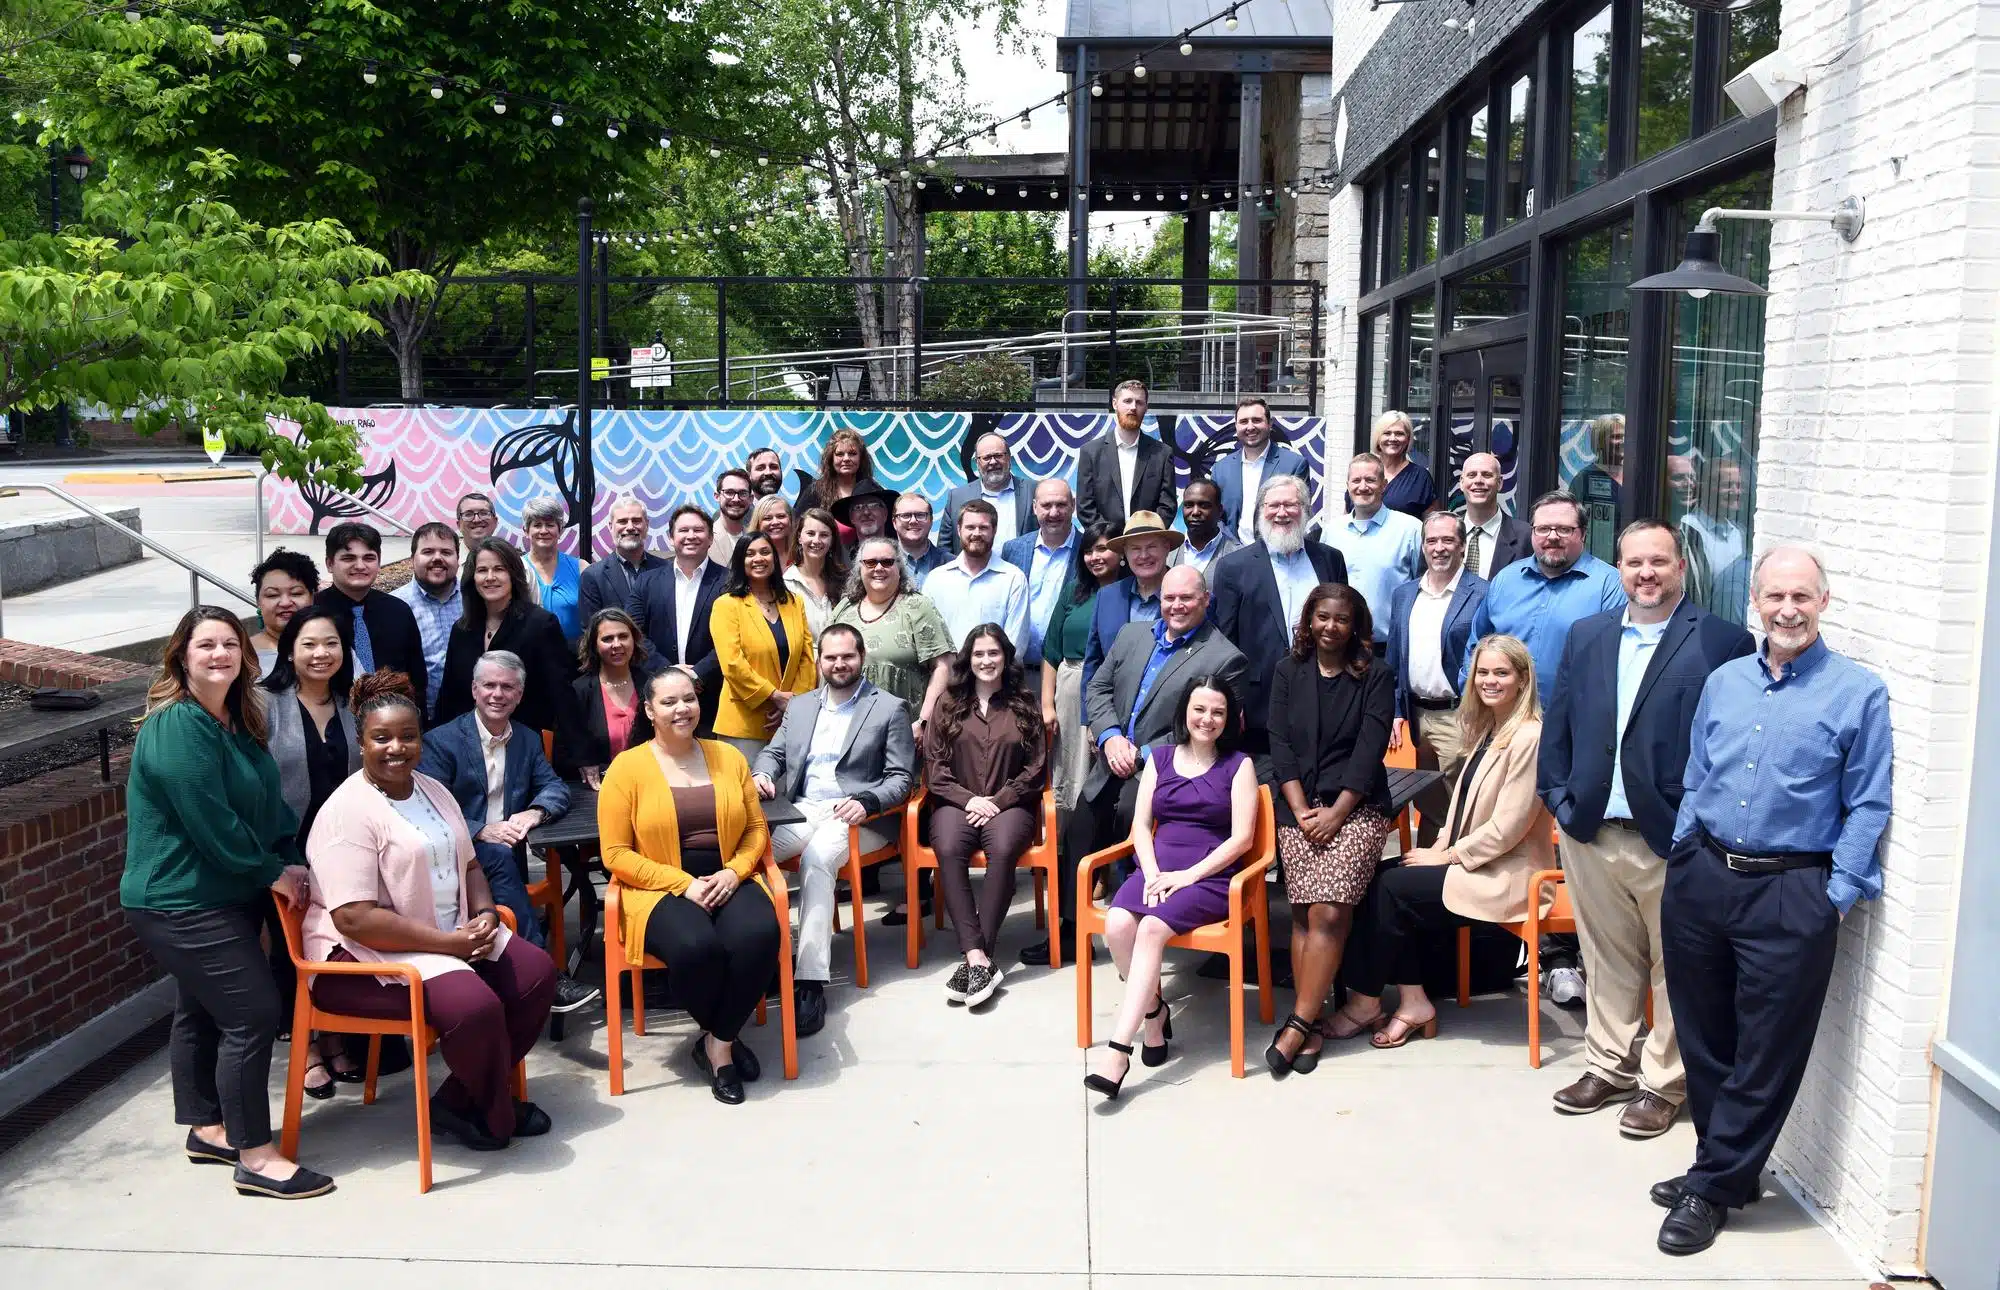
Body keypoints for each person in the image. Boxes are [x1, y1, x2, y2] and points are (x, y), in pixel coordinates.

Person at [1650, 547, 1892, 1257]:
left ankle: (1712, 1189)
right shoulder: (1724, 682)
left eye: (1802, 597)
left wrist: (1835, 896)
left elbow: (1868, 803)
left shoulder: (1858, 693)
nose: (1788, 610)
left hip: (1792, 891)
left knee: (1766, 1050)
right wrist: (1684, 852)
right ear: (1755, 602)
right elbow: (1698, 773)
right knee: (1705, 1038)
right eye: (1776, 597)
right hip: (1702, 878)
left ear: (1824, 602)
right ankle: (1724, 1168)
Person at [1539, 520, 1755, 1141]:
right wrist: (1559, 797)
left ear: (1681, 567)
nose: (1646, 573)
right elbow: (1561, 722)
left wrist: (1698, 826)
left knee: (1678, 967)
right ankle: (1609, 1066)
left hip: (1672, 838)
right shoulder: (1588, 634)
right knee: (1606, 960)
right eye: (1634, 562)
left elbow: (1731, 747)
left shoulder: (1722, 642)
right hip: (1590, 828)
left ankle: (1664, 1085)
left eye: (1659, 561)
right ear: (1619, 568)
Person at [120, 605, 333, 1199]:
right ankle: (255, 1156)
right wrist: (272, 871)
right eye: (206, 645)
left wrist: (289, 854)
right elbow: (210, 822)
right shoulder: (176, 726)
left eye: (230, 645)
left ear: (245, 655)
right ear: (181, 657)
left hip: (224, 892)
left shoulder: (236, 721)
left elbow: (268, 805)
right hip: (178, 899)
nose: (220, 655)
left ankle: (208, 1128)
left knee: (202, 1007)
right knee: (252, 1012)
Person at [304, 671, 559, 1152]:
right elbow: (354, 918)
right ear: (361, 743)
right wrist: (450, 945)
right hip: (361, 958)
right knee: (474, 1006)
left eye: (408, 736)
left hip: (447, 935)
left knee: (535, 974)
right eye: (382, 738)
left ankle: (458, 1100)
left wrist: (485, 914)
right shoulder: (347, 812)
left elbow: (469, 864)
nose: (396, 748)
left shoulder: (432, 790)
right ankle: (495, 1114)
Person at [1330, 634, 1556, 1049]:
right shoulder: (1491, 728)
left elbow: (1510, 826)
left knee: (1391, 888)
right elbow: (1461, 806)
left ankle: (1368, 1002)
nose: (1489, 681)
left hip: (1509, 874)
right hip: (1477, 861)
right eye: (1482, 672)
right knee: (1376, 877)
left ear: (1523, 680)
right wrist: (1438, 849)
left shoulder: (1530, 737)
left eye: (1501, 673)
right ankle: (1410, 1000)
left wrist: (1449, 856)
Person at [1025, 565, 1247, 968]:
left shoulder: (1225, 657)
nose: (1176, 606)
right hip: (1110, 760)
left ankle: (1142, 926)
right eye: (1169, 597)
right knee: (1077, 831)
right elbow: (1098, 687)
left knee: (1131, 819)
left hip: (1165, 771)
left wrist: (1143, 753)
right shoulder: (1132, 635)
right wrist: (1110, 736)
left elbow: (1208, 725)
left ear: (1205, 600)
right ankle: (1071, 933)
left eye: (1186, 598)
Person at [598, 666, 781, 1104]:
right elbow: (615, 854)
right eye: (669, 702)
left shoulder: (728, 757)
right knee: (697, 949)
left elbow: (756, 828)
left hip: (729, 876)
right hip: (659, 887)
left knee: (760, 934)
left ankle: (717, 1043)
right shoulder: (626, 768)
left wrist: (735, 871)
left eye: (689, 699)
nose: (682, 709)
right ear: (649, 710)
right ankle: (726, 1041)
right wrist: (682, 883)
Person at [1082, 676, 1258, 1100]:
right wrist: (1152, 871)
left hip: (1210, 876)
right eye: (1200, 709)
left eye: (1217, 712)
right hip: (1157, 870)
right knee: (1117, 924)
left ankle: (1118, 1051)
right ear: (1184, 712)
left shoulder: (1239, 766)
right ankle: (1154, 1012)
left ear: (1229, 719)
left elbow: (1242, 840)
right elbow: (1141, 826)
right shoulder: (1159, 759)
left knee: (1150, 929)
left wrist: (1187, 876)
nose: (1207, 719)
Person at [753, 625, 917, 1037]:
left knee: (817, 859)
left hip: (859, 816)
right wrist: (763, 774)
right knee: (751, 852)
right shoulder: (801, 706)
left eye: (847, 656)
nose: (839, 664)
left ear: (862, 658)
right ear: (819, 660)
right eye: (831, 657)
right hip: (802, 809)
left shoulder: (889, 708)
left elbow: (902, 778)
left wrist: (867, 801)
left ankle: (810, 982)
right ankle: (768, 959)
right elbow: (774, 752)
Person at [418, 650, 597, 1014]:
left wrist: (535, 812)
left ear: (519, 694)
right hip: (453, 854)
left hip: (505, 858)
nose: (497, 694)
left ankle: (522, 980)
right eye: (489, 685)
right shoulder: (441, 741)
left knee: (502, 856)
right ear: (474, 690)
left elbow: (554, 787)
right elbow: (430, 807)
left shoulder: (527, 739)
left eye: (507, 687)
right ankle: (547, 978)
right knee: (498, 855)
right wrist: (481, 830)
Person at [1263, 585, 1395, 1076]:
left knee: (1329, 911)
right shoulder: (1287, 671)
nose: (1330, 627)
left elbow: (1369, 749)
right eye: (1322, 617)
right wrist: (1300, 808)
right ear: (1309, 620)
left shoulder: (1376, 675)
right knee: (1303, 914)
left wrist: (1337, 813)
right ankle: (1314, 1023)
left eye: (1341, 619)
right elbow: (1279, 743)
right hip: (1298, 807)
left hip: (1356, 808)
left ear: (1355, 625)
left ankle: (1297, 1023)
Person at [259, 605, 361, 1099]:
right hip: (285, 847)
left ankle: (335, 1035)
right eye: (309, 644)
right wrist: (278, 859)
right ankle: (309, 1050)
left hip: (340, 848)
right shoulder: (264, 704)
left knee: (334, 942)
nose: (321, 653)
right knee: (290, 947)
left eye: (331, 643)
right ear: (289, 651)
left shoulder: (352, 703)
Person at [922, 624, 1047, 1007]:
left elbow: (1036, 768)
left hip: (1011, 805)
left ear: (1006, 657)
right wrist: (969, 800)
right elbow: (934, 768)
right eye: (979, 654)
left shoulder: (1025, 703)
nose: (986, 660)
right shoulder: (947, 703)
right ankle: (978, 958)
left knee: (1004, 848)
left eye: (994, 653)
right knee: (948, 846)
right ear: (968, 659)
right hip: (956, 803)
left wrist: (999, 799)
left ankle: (978, 957)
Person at [1210, 475, 1349, 764]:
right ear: (1261, 510)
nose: (1281, 513)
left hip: (1324, 697)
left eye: (1290, 505)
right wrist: (1232, 699)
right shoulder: (1233, 567)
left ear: (1305, 510)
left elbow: (1346, 626)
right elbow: (1224, 641)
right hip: (1258, 705)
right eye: (1273, 505)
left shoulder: (1330, 559)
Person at [1386, 512, 1488, 844]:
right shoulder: (1405, 593)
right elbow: (1394, 657)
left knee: (1460, 797)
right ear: (1423, 547)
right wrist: (1395, 711)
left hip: (1457, 714)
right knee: (1426, 799)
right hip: (1415, 715)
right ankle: (1427, 865)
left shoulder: (1482, 593)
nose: (1439, 548)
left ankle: (1456, 864)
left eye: (1447, 540)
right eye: (1431, 541)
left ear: (1462, 546)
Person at [1465, 490, 1627, 695]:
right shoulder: (1506, 580)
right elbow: (1476, 645)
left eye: (1564, 529)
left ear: (1583, 533)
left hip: (1573, 714)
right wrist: (1469, 696)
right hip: (1504, 712)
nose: (1552, 537)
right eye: (1542, 529)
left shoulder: (1610, 585)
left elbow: (1617, 661)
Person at [433, 538, 577, 734]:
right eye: (482, 570)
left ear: (513, 575)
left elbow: (562, 694)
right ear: (472, 577)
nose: (490, 577)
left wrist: (577, 748)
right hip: (468, 741)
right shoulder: (461, 630)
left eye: (499, 569)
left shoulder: (541, 624)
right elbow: (448, 696)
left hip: (525, 741)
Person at [1041, 521, 1125, 826]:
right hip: (1071, 688)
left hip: (1116, 689)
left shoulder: (1131, 592)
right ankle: (1067, 843)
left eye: (1102, 549)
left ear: (1121, 552)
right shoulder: (1073, 591)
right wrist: (1047, 705)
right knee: (1071, 771)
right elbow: (1051, 650)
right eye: (1088, 551)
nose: (1094, 557)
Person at [827, 536, 954, 730]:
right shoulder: (844, 609)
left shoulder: (918, 607)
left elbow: (943, 666)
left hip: (905, 729)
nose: (879, 568)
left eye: (887, 562)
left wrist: (923, 722)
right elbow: (825, 664)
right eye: (870, 562)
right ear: (859, 568)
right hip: (847, 728)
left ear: (899, 568)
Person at [711, 533, 817, 762]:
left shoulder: (794, 602)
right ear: (740, 561)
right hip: (743, 724)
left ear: (774, 558)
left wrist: (793, 703)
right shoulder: (726, 605)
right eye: (750, 554)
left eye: (765, 552)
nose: (758, 558)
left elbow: (806, 658)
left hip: (789, 721)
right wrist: (775, 696)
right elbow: (732, 663)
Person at [315, 522, 428, 717]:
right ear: (330, 564)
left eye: (368, 558)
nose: (360, 566)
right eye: (348, 558)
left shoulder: (398, 611)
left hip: (394, 721)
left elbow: (417, 680)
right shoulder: (313, 613)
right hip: (330, 721)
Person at [1328, 453, 1424, 652]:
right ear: (1347, 485)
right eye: (1356, 480)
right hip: (1339, 648)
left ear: (1384, 485)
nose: (1363, 487)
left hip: (1390, 648)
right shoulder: (1331, 531)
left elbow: (1423, 587)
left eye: (1370, 480)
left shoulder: (1411, 530)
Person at [554, 608, 658, 788]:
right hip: (599, 789)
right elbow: (565, 757)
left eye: (623, 636)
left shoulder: (652, 685)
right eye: (607, 639)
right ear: (594, 645)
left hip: (652, 783)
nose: (616, 644)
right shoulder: (578, 692)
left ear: (634, 640)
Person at [1080, 512, 1182, 695]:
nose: (1143, 555)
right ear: (1125, 553)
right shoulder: (1107, 596)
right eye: (1135, 548)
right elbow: (1093, 664)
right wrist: (1089, 711)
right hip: (1111, 707)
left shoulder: (1188, 596)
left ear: (1166, 547)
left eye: (1151, 547)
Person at [652, 505, 731, 733]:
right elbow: (636, 635)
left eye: (698, 530)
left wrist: (697, 674)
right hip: (660, 697)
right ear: (671, 537)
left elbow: (734, 639)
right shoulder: (648, 582)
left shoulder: (730, 582)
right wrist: (668, 672)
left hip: (713, 696)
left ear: (710, 538)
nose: (690, 536)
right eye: (683, 530)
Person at [1000, 478, 1078, 689]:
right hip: (1016, 673)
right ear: (1035, 507)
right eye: (1046, 505)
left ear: (1073, 505)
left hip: (1066, 674)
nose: (1054, 513)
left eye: (1061, 505)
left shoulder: (1088, 551)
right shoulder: (1013, 550)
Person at [924, 499, 1031, 652]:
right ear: (959, 530)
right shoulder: (936, 580)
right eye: (970, 527)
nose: (976, 533)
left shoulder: (1013, 579)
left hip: (995, 667)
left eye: (983, 527)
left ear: (994, 530)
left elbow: (1016, 645)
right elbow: (928, 639)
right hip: (947, 667)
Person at [1077, 378, 1177, 530]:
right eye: (1127, 401)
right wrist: (1108, 539)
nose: (1133, 407)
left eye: (1139, 402)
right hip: (1106, 542)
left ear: (1146, 407)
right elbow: (1085, 507)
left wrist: (1146, 536)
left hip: (1147, 541)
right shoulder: (1090, 452)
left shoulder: (1162, 454)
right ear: (1115, 403)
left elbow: (1167, 506)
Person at [1212, 395, 1308, 545]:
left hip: (1276, 550)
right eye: (1244, 421)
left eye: (1257, 420)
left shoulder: (1294, 465)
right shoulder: (1221, 469)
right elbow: (1216, 516)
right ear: (1236, 426)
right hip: (1232, 552)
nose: (1250, 427)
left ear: (1270, 424)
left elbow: (1300, 513)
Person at [391, 524, 463, 721]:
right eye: (428, 552)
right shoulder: (395, 606)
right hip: (415, 718)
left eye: (446, 552)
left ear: (458, 559)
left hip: (470, 715)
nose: (437, 558)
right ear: (412, 559)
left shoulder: (475, 600)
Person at [577, 498, 668, 647]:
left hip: (662, 659)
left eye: (636, 521)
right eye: (622, 521)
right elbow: (591, 633)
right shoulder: (593, 576)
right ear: (610, 526)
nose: (630, 527)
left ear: (647, 525)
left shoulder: (666, 570)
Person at [941, 432, 1034, 551]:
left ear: (1009, 457)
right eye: (986, 457)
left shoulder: (1033, 491)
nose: (993, 462)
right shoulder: (957, 498)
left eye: (998, 455)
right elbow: (944, 550)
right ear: (977, 462)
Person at [1456, 450, 1532, 581]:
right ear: (1462, 483)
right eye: (1472, 475)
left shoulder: (1526, 536)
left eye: (1487, 475)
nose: (1478, 480)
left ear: (1500, 483)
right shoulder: (1443, 533)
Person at [520, 495, 583, 644]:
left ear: (560, 530)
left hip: (574, 654)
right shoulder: (516, 569)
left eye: (550, 525)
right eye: (537, 525)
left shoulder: (581, 568)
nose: (543, 531)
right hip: (529, 652)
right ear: (526, 530)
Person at [248, 548, 320, 676]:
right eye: (272, 595)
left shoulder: (334, 648)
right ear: (258, 602)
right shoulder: (242, 654)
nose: (285, 603)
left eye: (296, 593)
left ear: (312, 597)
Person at [1571, 414, 1628, 564]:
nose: (1623, 441)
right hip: (1598, 559)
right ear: (1600, 441)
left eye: (1626, 436)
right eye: (1617, 437)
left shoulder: (1636, 476)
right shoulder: (1584, 479)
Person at [803, 427, 876, 542]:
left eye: (852, 454)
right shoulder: (815, 491)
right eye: (840, 454)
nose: (846, 459)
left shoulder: (874, 490)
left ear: (861, 458)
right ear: (831, 459)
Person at [787, 506, 850, 638]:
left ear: (832, 540)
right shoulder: (786, 584)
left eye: (824, 535)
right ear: (799, 537)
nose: (816, 540)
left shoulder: (845, 581)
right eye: (810, 533)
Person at [1168, 479, 1242, 582]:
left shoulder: (1238, 555)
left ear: (1220, 510)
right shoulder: (1168, 551)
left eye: (1204, 506)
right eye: (1189, 505)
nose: (1195, 512)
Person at [1368, 410, 1437, 519]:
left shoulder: (1420, 478)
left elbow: (1433, 524)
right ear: (1378, 438)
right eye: (1387, 433)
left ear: (1408, 439)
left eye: (1399, 434)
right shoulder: (1363, 472)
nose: (1392, 438)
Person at [892, 492, 951, 582]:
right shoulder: (881, 563)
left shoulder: (951, 563)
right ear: (894, 523)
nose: (913, 521)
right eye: (906, 516)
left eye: (920, 515)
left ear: (931, 521)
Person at [710, 467, 755, 569]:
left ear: (751, 499)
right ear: (717, 496)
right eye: (729, 492)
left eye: (743, 493)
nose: (736, 499)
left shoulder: (756, 539)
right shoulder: (703, 538)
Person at [750, 495, 797, 567]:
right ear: (757, 523)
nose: (775, 522)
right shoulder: (747, 556)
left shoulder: (802, 555)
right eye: (767, 518)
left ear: (790, 520)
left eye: (781, 516)